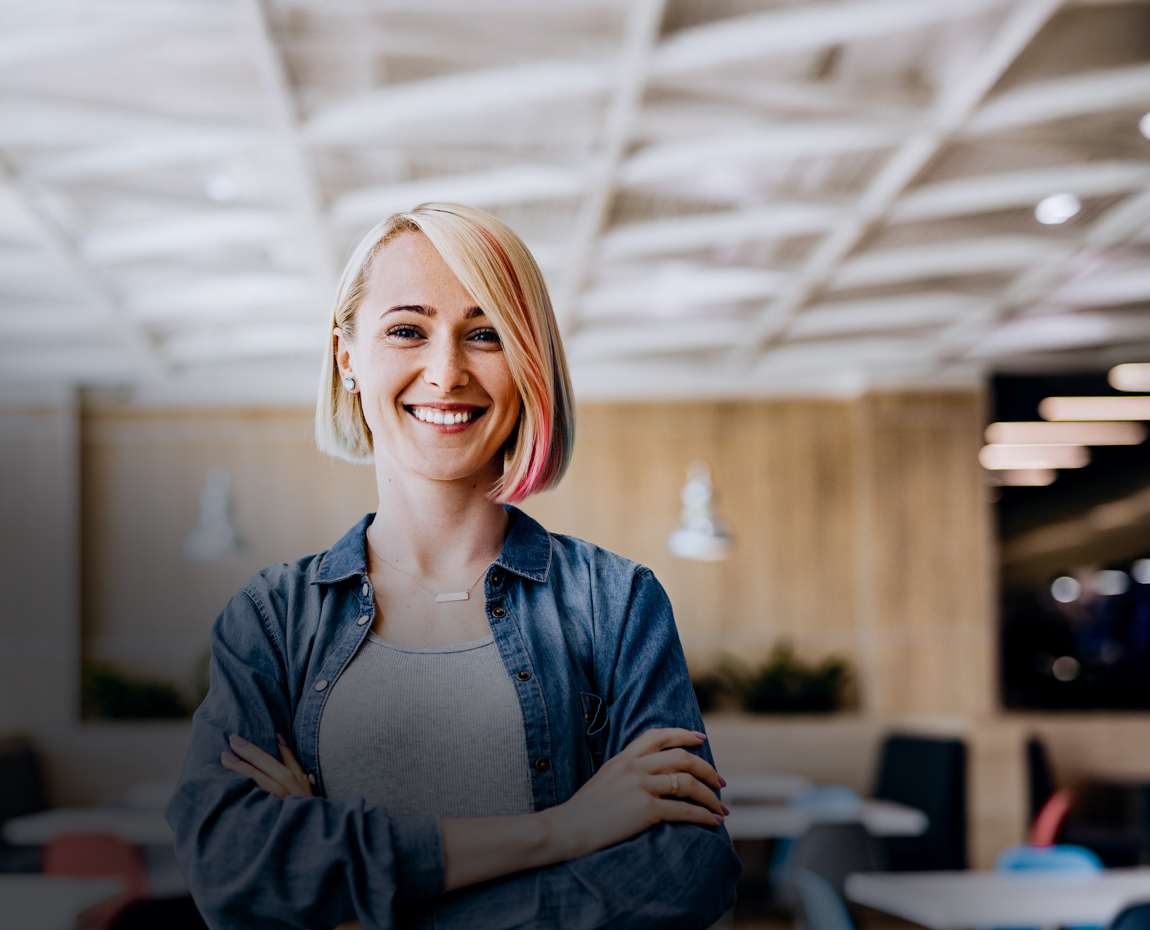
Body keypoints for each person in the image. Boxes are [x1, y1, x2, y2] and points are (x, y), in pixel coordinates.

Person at [166, 203, 741, 929]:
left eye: (487, 334)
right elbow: (232, 872)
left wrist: (349, 889)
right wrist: (563, 831)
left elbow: (684, 876)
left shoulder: (616, 604)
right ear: (348, 355)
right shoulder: (272, 620)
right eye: (407, 330)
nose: (447, 372)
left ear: (529, 363)